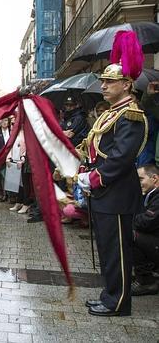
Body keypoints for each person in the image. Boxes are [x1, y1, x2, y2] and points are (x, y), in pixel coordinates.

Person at [77, 31, 148, 317]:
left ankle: (118, 303)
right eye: (103, 81)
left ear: (127, 84)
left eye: (110, 81)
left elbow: (120, 158)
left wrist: (93, 178)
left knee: (118, 252)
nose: (103, 85)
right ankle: (109, 295)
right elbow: (95, 148)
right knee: (107, 249)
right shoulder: (111, 113)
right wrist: (84, 168)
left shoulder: (131, 115)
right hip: (106, 193)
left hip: (117, 193)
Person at [130, 165, 159, 296]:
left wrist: (130, 220)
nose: (138, 183)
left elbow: (147, 221)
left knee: (132, 236)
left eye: (141, 179)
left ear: (154, 178)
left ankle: (146, 280)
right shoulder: (150, 194)